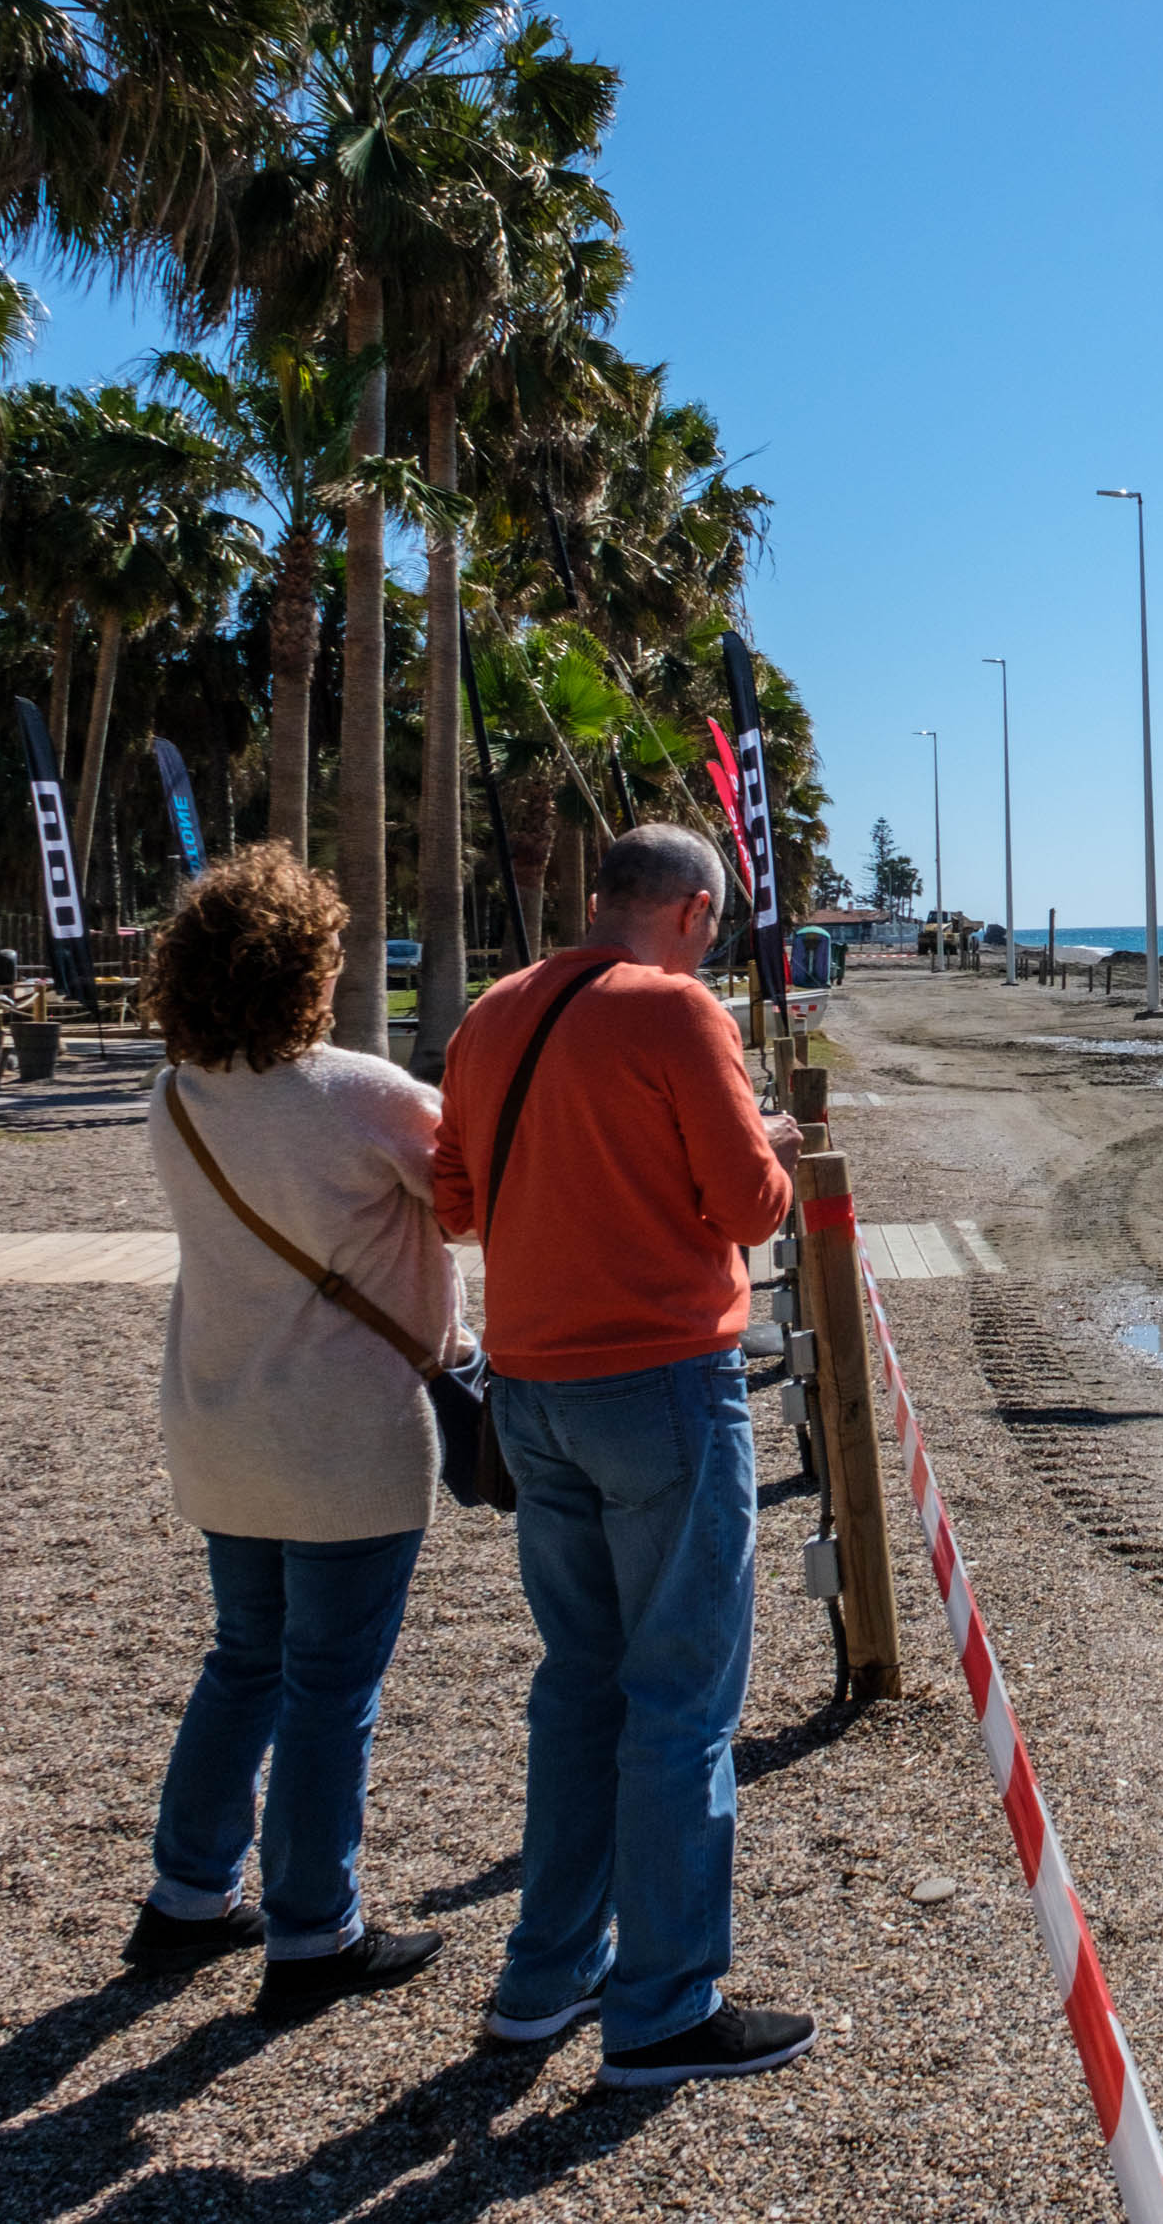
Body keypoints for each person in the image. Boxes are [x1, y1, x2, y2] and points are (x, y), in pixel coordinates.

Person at [433, 824, 808, 2088]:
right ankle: (663, 2006)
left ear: (604, 897)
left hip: (533, 1386)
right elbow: (750, 1206)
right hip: (659, 1380)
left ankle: (547, 1976)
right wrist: (776, 1148)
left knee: (581, 1684)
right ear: (696, 912)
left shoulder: (493, 1014)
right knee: (682, 1699)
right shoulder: (678, 1012)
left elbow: (456, 1200)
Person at [124, 844, 456, 2024]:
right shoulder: (362, 1094)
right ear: (307, 967)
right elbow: (465, 1196)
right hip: (347, 1430)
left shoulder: (175, 1096)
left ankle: (188, 1893)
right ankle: (316, 1929)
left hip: (217, 1419)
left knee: (244, 1659)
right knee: (329, 1686)